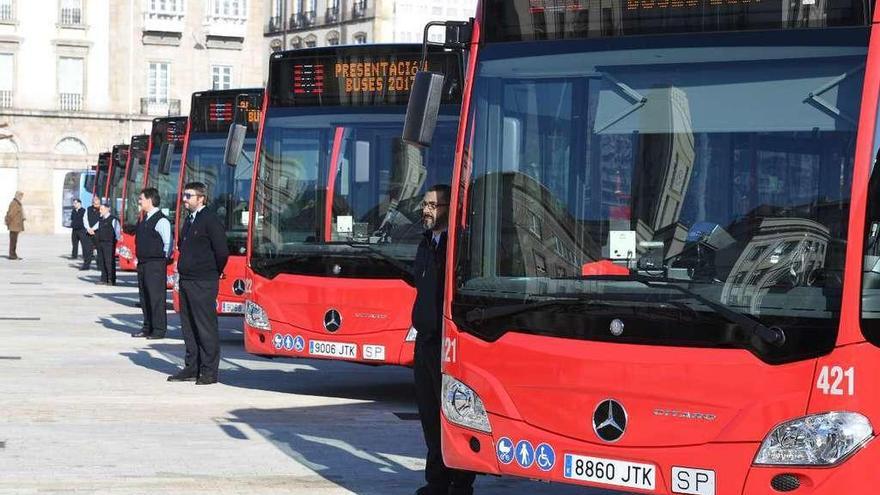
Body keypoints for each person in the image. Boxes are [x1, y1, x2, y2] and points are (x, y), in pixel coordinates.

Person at [411, 184, 475, 495]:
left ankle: (461, 484)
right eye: (425, 204)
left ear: (450, 208)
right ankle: (435, 481)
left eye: (434, 205)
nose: (427, 210)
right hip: (423, 342)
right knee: (428, 417)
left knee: (452, 415)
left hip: (447, 342)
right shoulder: (426, 242)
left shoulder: (457, 245)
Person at [169, 182, 228, 385]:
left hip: (203, 281)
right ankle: (191, 367)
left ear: (201, 198)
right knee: (189, 326)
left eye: (189, 196)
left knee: (205, 327)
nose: (184, 199)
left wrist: (212, 272)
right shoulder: (190, 220)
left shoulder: (210, 220)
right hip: (187, 280)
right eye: (184, 195)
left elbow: (222, 252)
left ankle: (209, 371)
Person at [132, 188, 171, 340]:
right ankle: (147, 327)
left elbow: (167, 243)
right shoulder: (144, 218)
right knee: (144, 296)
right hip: (143, 263)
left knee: (156, 297)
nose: (139, 201)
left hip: (155, 264)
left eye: (141, 198)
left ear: (149, 200)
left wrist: (162, 260)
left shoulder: (161, 220)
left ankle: (159, 329)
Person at [95, 202, 121, 285]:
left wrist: (116, 241)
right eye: (100, 209)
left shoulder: (113, 219)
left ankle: (111, 279)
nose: (100, 211)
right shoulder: (101, 219)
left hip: (109, 243)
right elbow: (96, 228)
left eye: (102, 209)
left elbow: (117, 232)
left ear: (107, 209)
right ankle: (104, 279)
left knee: (109, 262)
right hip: (101, 242)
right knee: (102, 261)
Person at [82, 195, 102, 270]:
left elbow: (101, 220)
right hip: (89, 232)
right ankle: (86, 265)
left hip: (98, 232)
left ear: (99, 202)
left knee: (99, 250)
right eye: (94, 201)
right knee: (87, 249)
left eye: (97, 201)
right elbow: (85, 219)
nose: (95, 203)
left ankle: (100, 266)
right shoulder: (88, 209)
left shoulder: (102, 209)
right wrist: (88, 228)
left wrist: (93, 229)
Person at [4, 191, 24, 260]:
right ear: (18, 196)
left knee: (14, 241)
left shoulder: (17, 203)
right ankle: (12, 255)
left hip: (16, 226)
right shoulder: (15, 203)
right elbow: (11, 214)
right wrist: (7, 222)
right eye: (21, 196)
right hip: (14, 226)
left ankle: (13, 254)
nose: (21, 198)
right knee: (13, 241)